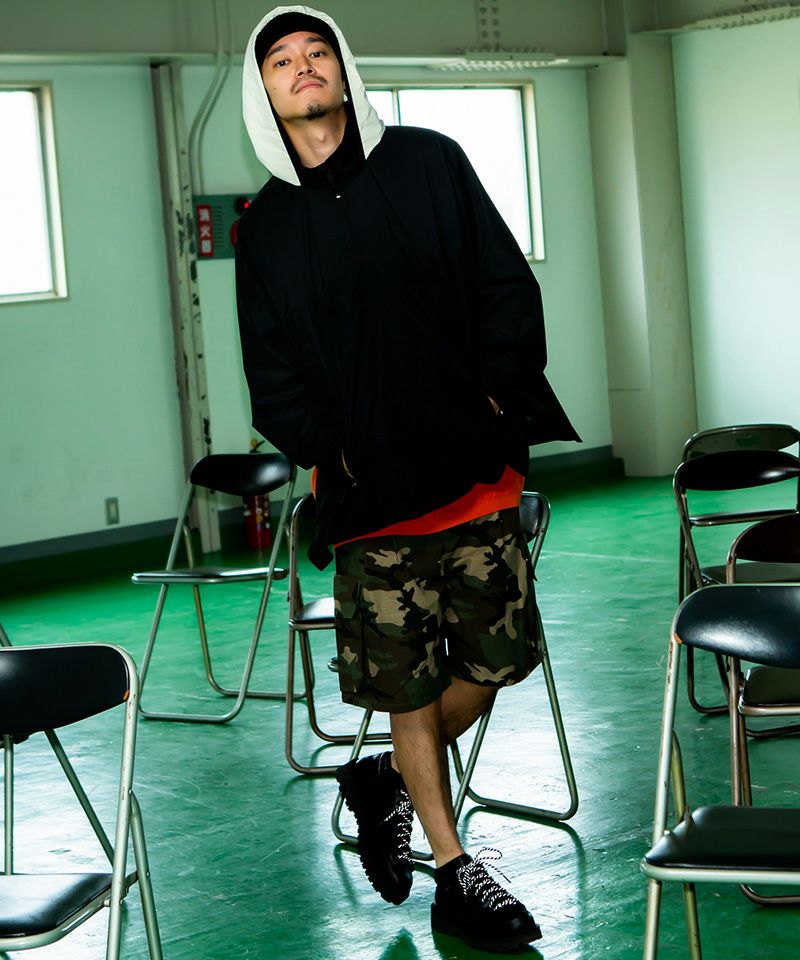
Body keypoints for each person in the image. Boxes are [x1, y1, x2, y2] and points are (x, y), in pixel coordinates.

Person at [236, 6, 579, 952]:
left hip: (474, 473)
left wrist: (500, 401)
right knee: (407, 686)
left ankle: (384, 777)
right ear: (262, 93)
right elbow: (272, 370)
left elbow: (505, 283)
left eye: (317, 52)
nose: (304, 68)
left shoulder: (430, 161)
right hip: (371, 499)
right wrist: (332, 450)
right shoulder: (268, 228)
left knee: (495, 665)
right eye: (282, 61)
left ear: (343, 68)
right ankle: (455, 867)